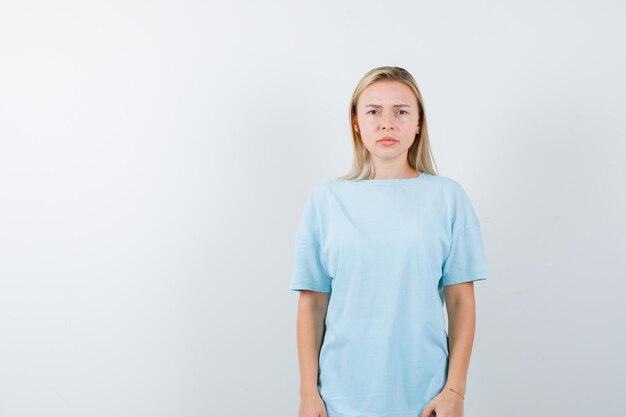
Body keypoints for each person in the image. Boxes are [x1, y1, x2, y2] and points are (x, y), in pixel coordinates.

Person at [289, 66, 489, 417]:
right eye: (373, 111)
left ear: (418, 123)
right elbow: (312, 304)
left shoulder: (448, 198)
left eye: (401, 111)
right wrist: (309, 394)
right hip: (339, 400)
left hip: (427, 401)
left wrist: (455, 391)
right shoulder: (325, 200)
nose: (387, 123)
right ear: (355, 122)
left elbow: (461, 303)